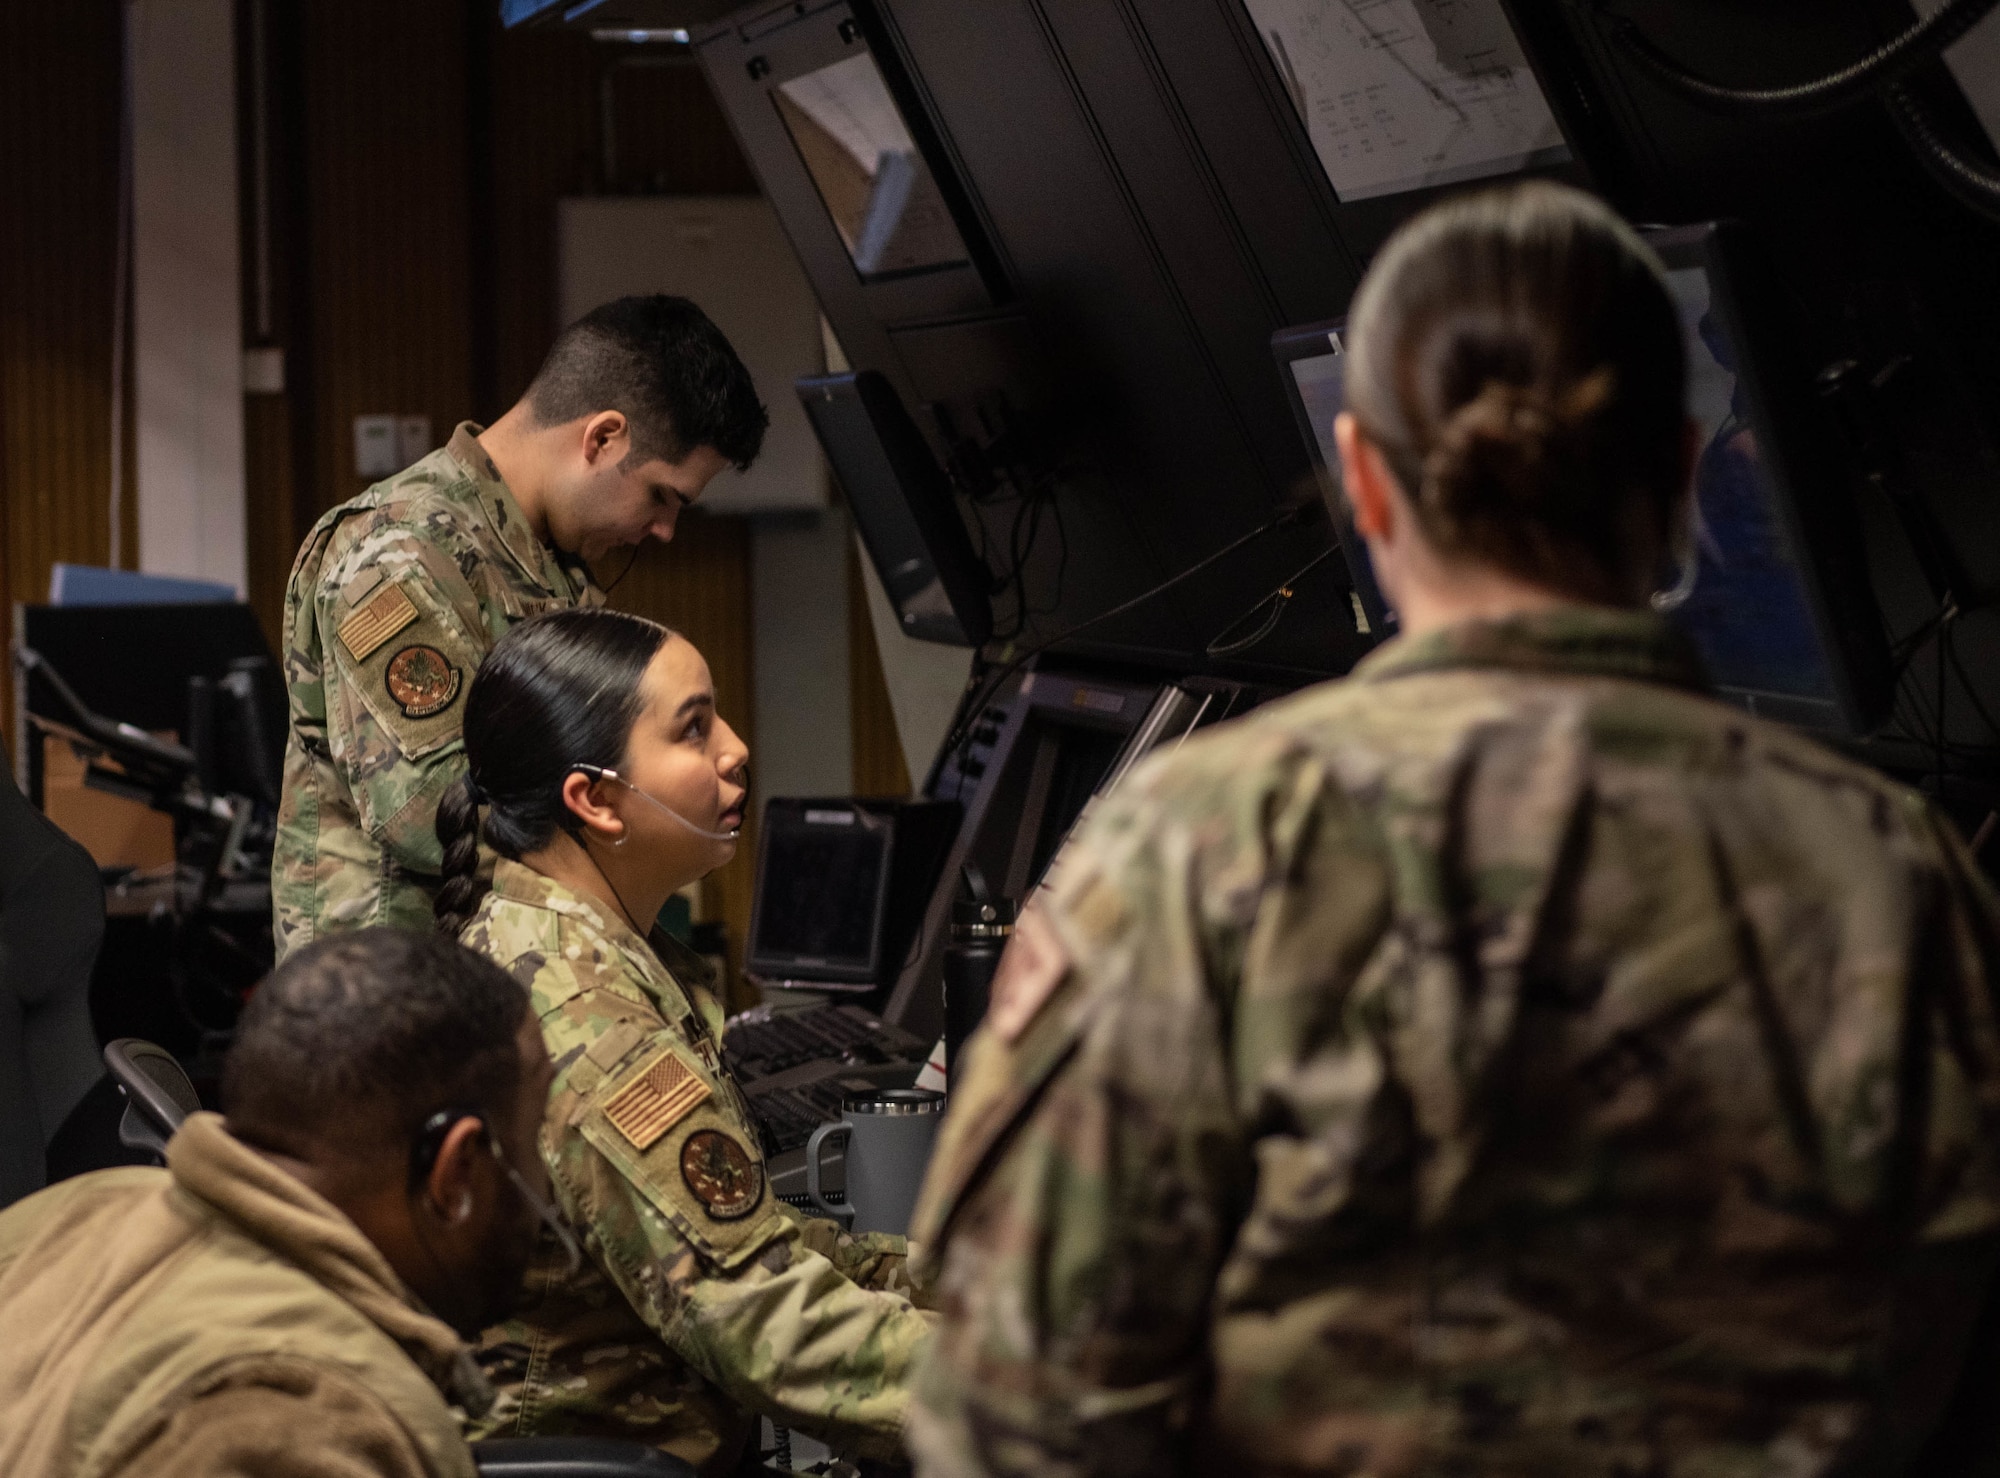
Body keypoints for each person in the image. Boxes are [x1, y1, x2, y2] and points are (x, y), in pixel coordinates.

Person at [906, 181, 2000, 1477]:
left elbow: (1010, 1405)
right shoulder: (1895, 864)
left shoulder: (1210, 841)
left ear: (1362, 474)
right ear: (1681, 481)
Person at [434, 607, 935, 1473]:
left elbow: (754, 1243)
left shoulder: (579, 941)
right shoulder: (584, 1018)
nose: (736, 749)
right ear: (594, 801)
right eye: (694, 729)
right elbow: (768, 1321)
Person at [274, 294, 768, 960]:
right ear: (602, 438)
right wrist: (645, 825)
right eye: (661, 495)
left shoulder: (549, 560)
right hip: (390, 998)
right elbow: (427, 812)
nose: (665, 531)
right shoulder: (399, 551)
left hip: (500, 974)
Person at [0, 928, 561, 1477]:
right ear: (455, 1174)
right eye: (533, 1136)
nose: (543, 1184)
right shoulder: (310, 1416)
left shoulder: (69, 1211)